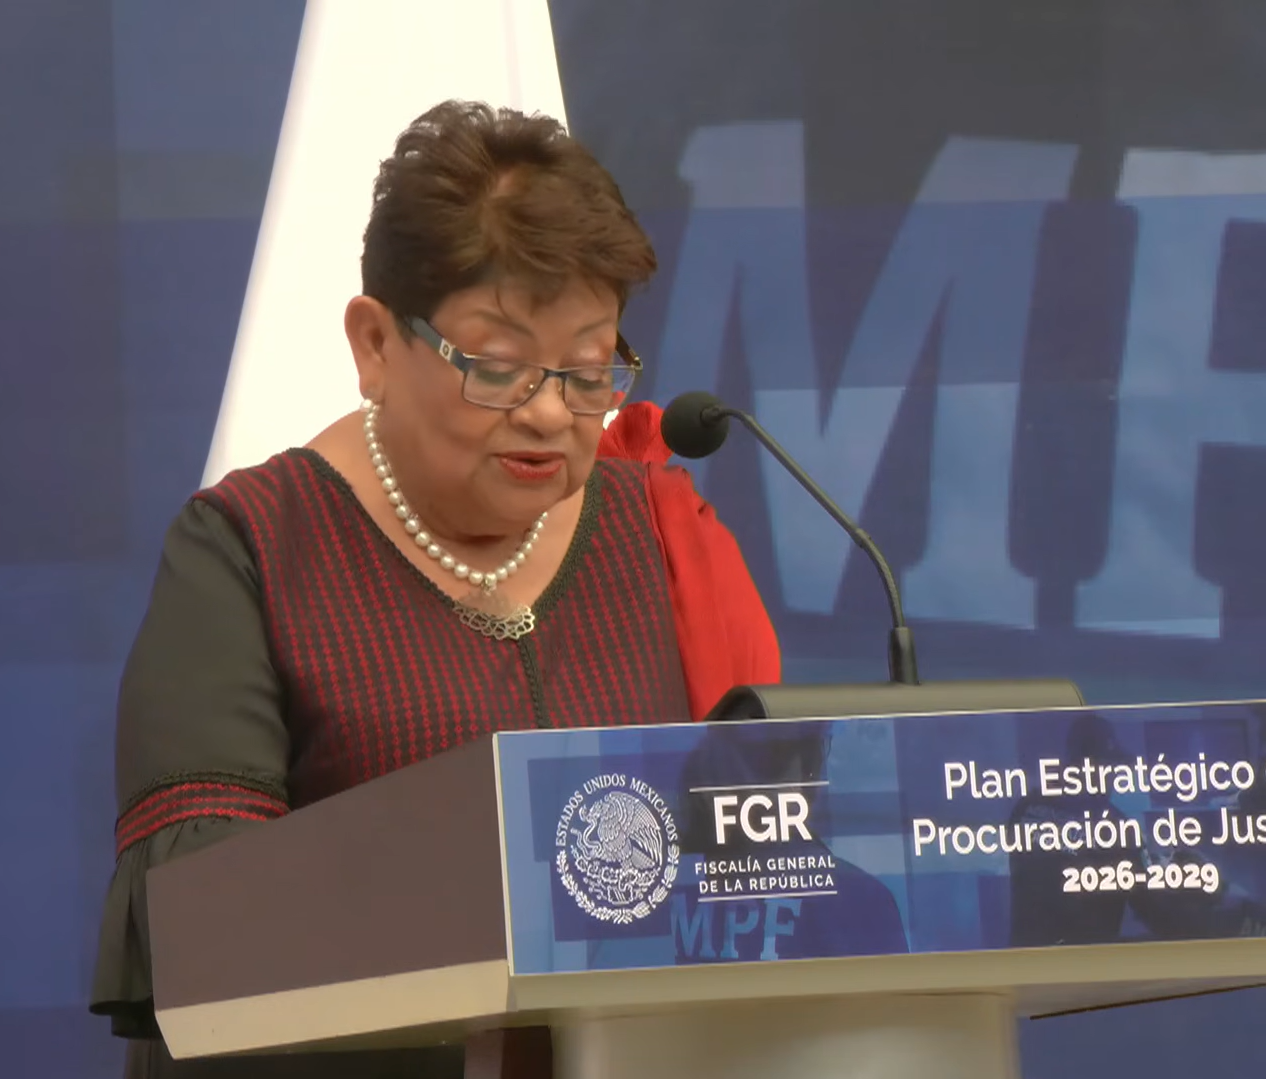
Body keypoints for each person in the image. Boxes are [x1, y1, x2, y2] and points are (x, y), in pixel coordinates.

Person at [89, 100, 781, 1077]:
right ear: (375, 344)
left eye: (589, 369)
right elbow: (206, 924)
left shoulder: (664, 534)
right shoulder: (250, 548)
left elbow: (772, 864)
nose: (550, 412)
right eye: (497, 367)